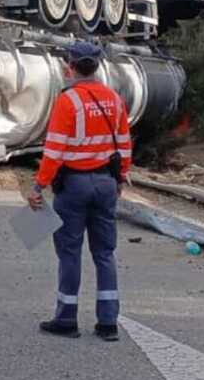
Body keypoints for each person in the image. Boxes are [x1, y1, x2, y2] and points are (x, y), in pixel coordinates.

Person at [27, 41, 132, 341]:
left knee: (69, 253)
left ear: (69, 67)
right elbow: (124, 145)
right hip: (106, 184)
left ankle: (67, 318)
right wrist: (121, 178)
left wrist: (38, 186)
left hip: (73, 185)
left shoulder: (67, 101)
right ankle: (108, 323)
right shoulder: (114, 99)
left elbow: (55, 150)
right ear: (97, 66)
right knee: (105, 253)